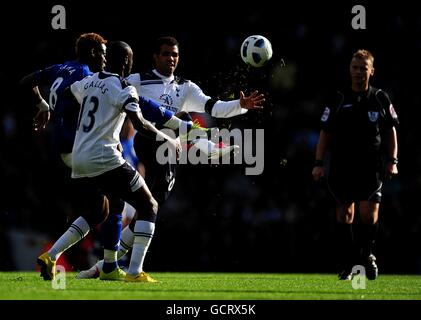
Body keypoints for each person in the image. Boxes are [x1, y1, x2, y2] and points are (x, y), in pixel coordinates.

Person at [76, 35, 266, 278]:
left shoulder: (185, 87)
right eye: (166, 53)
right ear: (156, 56)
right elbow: (110, 92)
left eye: (174, 54)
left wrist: (240, 106)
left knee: (150, 206)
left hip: (170, 148)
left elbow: (213, 107)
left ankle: (106, 265)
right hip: (147, 144)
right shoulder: (138, 79)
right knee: (148, 204)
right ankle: (129, 269)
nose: (171, 58)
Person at [40, 40, 182, 283]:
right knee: (149, 206)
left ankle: (57, 256)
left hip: (80, 157)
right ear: (127, 62)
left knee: (103, 210)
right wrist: (166, 137)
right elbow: (139, 123)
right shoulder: (124, 87)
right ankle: (135, 272)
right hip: (104, 157)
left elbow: (66, 95)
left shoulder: (88, 81)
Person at [312, 49, 399, 280]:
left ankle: (368, 255)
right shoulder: (339, 98)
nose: (358, 72)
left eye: (363, 68)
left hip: (371, 166)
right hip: (342, 165)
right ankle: (348, 262)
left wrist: (392, 161)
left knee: (368, 214)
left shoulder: (380, 97)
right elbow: (325, 132)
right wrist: (318, 163)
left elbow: (391, 132)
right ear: (349, 69)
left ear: (372, 71)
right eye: (354, 67)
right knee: (344, 214)